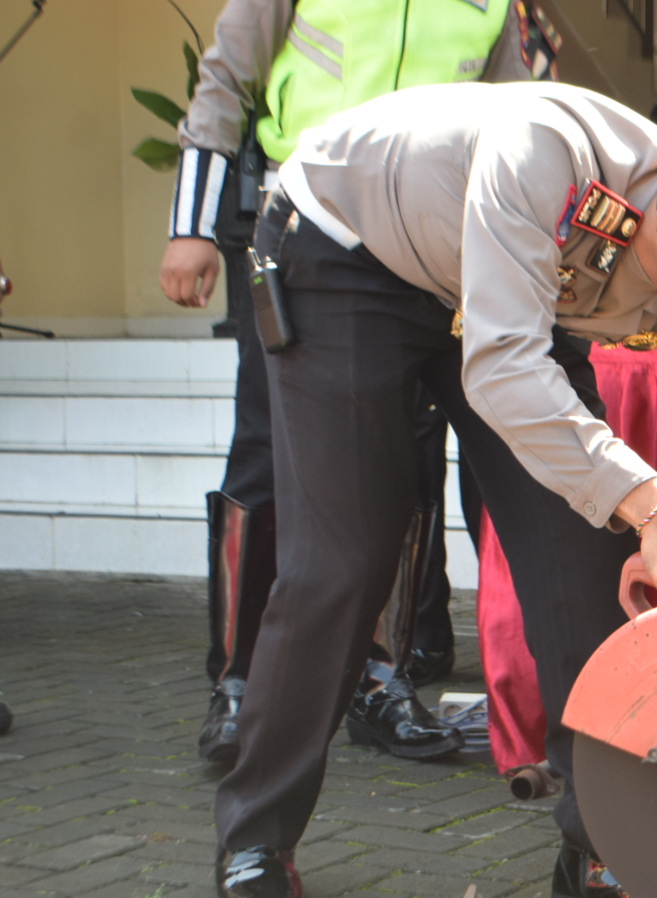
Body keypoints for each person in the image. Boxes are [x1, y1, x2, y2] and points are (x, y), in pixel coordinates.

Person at [212, 82, 657, 898]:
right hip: (347, 257)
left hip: (507, 306)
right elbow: (503, 372)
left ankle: (602, 854)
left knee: (588, 560)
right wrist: (656, 511)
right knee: (344, 560)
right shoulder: (544, 154)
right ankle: (256, 831)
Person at [159, 0, 561, 766]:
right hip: (301, 226)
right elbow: (224, 83)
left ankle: (380, 678)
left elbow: (522, 115)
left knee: (405, 463)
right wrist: (192, 226)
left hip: (425, 240)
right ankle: (239, 684)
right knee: (266, 451)